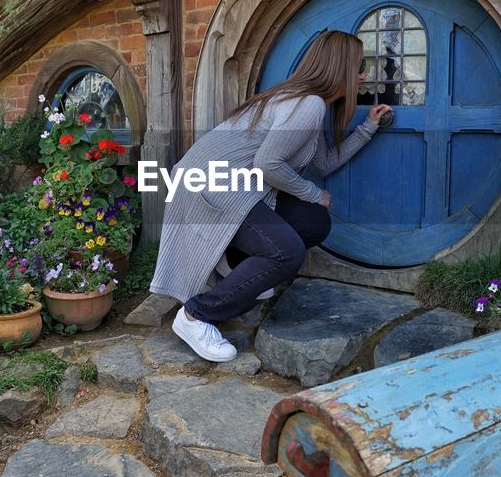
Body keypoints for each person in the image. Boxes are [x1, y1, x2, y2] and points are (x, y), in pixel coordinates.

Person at [148, 29, 393, 362]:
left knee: (314, 222)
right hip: (212, 185)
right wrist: (312, 192)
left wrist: (367, 129)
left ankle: (239, 277)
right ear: (340, 69)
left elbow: (322, 163)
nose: (363, 75)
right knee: (286, 253)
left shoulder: (306, 104)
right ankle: (195, 316)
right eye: (358, 66)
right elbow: (268, 164)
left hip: (232, 185)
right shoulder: (307, 104)